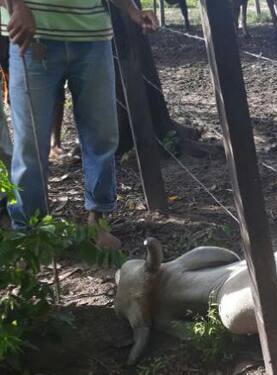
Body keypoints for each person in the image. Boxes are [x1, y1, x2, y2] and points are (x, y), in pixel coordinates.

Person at [1, 0, 159, 249]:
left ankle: (98, 220)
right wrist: (17, 6)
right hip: (32, 35)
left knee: (102, 135)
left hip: (93, 35)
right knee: (30, 143)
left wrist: (132, 11)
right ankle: (30, 233)